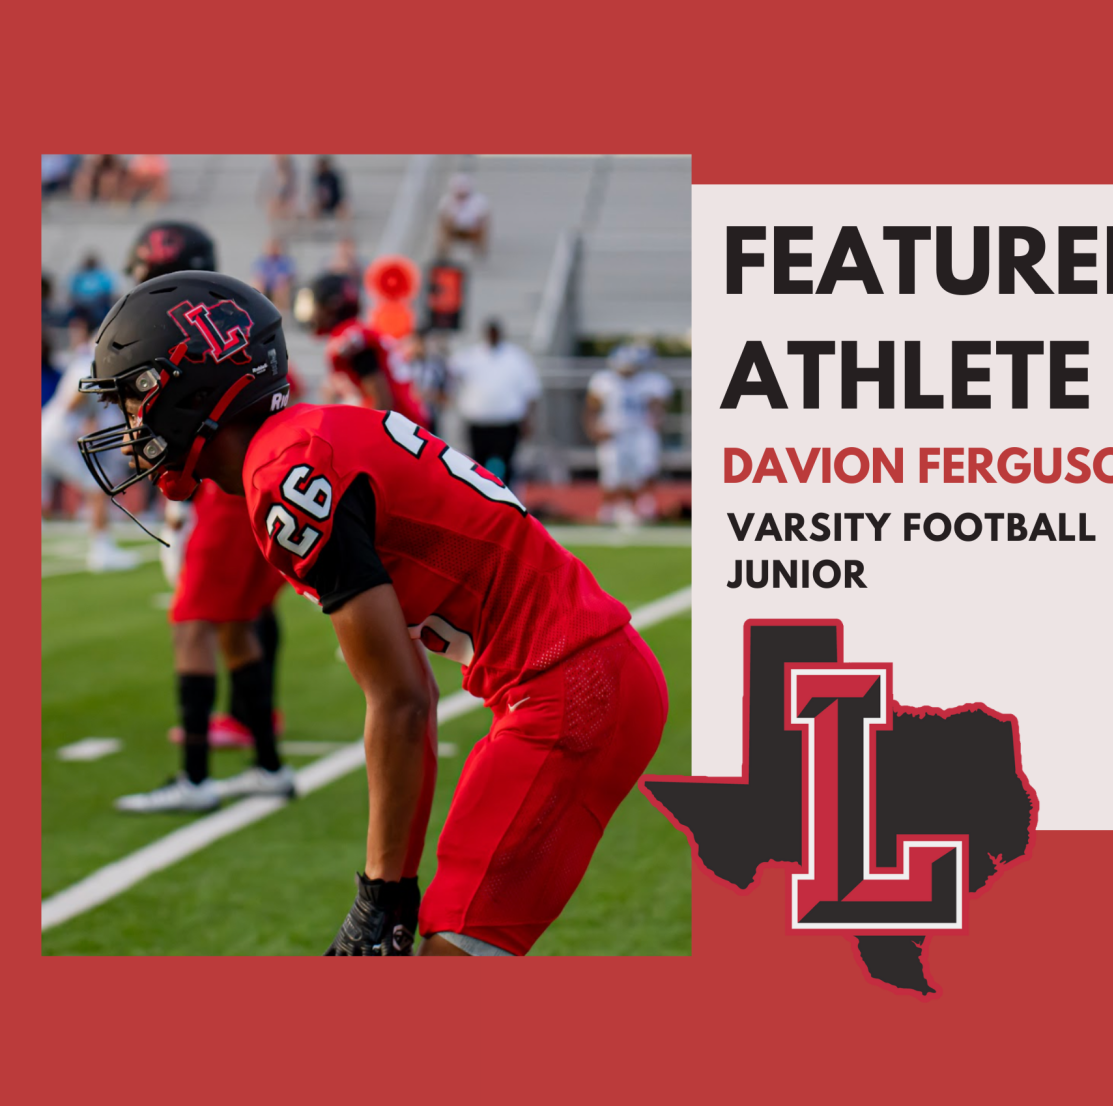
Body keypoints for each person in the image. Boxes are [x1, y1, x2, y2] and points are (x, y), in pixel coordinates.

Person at [81, 271, 668, 956]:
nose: (129, 430)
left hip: (567, 687)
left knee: (446, 959)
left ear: (197, 383)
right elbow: (407, 689)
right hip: (574, 677)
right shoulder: (301, 445)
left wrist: (381, 892)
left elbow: (400, 702)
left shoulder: (286, 475)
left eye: (137, 396)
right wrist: (387, 892)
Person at [106, 223, 294, 813]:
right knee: (236, 626)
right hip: (258, 482)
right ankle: (267, 766)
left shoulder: (185, 329)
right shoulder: (231, 310)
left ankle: (195, 777)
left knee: (193, 625)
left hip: (231, 490)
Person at [40, 312, 136, 570]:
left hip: (46, 432)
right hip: (55, 436)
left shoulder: (88, 363)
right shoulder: (87, 365)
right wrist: (73, 432)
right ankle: (102, 551)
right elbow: (73, 401)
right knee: (97, 488)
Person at [310, 272, 430, 428]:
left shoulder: (351, 340)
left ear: (332, 305)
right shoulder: (353, 332)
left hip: (403, 434)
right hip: (410, 427)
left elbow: (381, 403)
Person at [583, 343, 672, 526]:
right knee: (612, 472)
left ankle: (642, 507)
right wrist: (594, 429)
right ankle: (609, 510)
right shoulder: (604, 381)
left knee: (645, 469)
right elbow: (591, 409)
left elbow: (659, 409)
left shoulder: (651, 382)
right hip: (614, 432)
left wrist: (656, 414)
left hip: (641, 431)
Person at [446, 318, 539, 483]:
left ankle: (510, 501)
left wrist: (527, 420)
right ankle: (480, 504)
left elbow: (530, 391)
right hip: (478, 422)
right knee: (476, 467)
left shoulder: (516, 357)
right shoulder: (471, 355)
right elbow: (451, 371)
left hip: (506, 423)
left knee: (508, 465)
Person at [435, 173, 490, 259]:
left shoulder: (479, 201)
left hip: (472, 229)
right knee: (443, 227)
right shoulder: (446, 200)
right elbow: (442, 217)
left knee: (482, 226)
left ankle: (479, 249)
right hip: (453, 228)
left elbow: (483, 217)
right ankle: (443, 251)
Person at [68, 253, 117, 329]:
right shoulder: (79, 276)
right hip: (82, 308)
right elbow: (73, 293)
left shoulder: (102, 275)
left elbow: (107, 292)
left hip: (98, 308)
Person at [251, 237, 297, 309]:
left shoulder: (285, 261)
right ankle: (257, 308)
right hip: (266, 286)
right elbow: (258, 274)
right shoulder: (262, 261)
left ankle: (280, 310)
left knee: (281, 285)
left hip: (278, 287)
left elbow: (289, 275)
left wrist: (280, 280)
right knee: (257, 284)